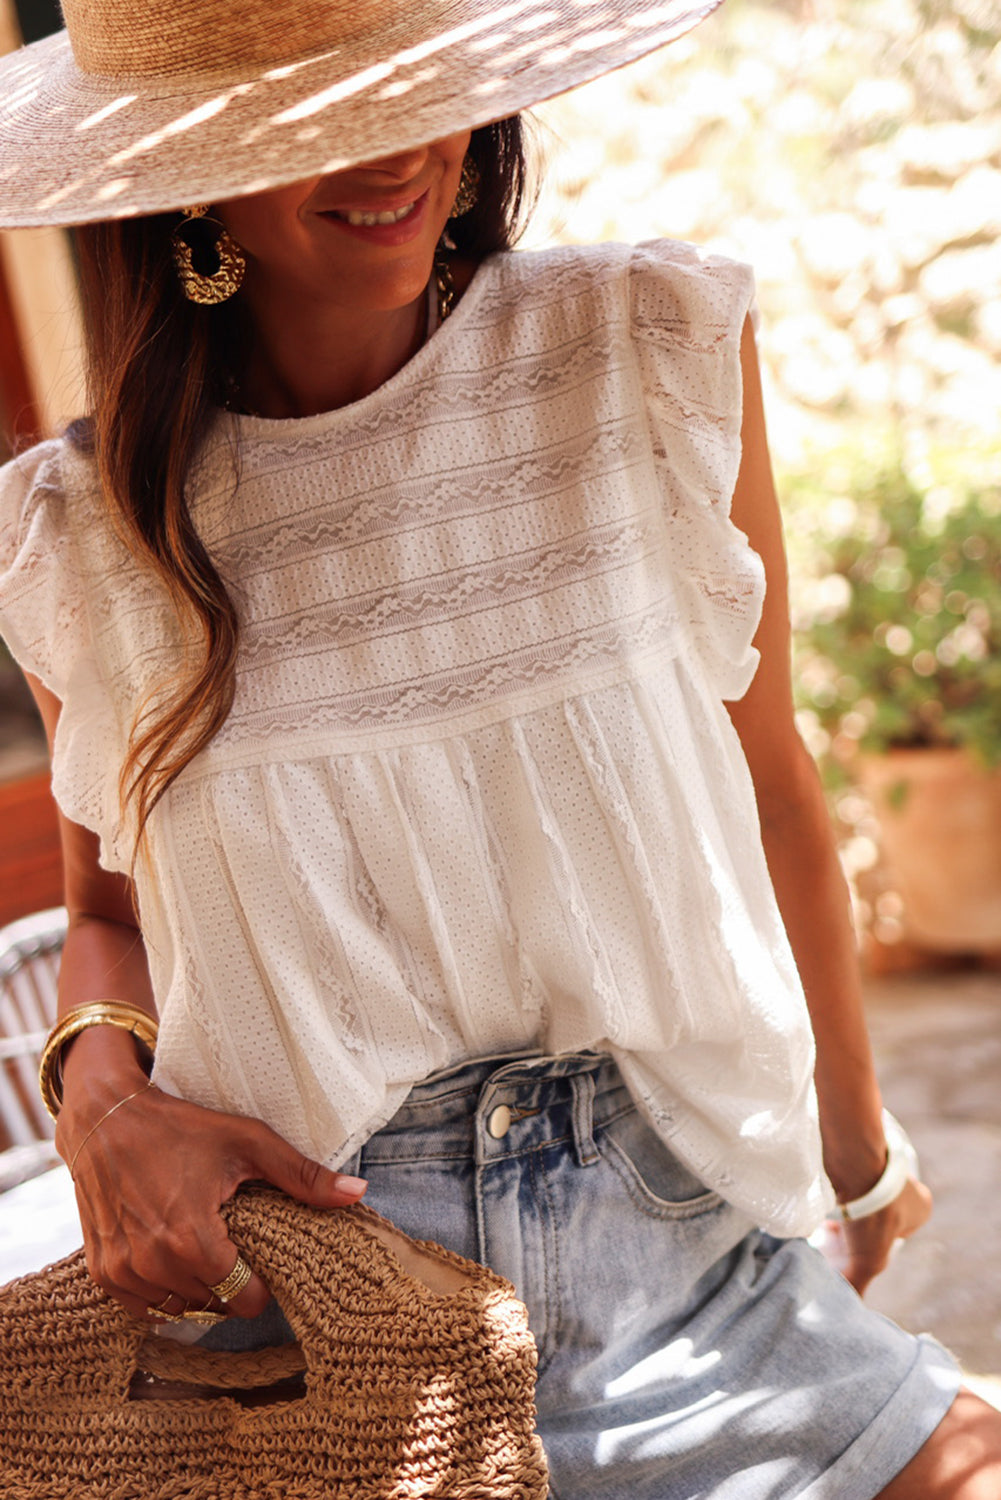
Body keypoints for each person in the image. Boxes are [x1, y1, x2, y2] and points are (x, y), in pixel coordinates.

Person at [0, 0, 999, 1493]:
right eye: (304, 123)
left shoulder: (642, 350)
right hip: (323, 1313)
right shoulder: (87, 532)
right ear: (188, 176)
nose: (392, 151)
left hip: (683, 1243)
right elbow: (106, 918)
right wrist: (102, 1099)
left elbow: (769, 779)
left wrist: (853, 1160)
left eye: (415, 88)